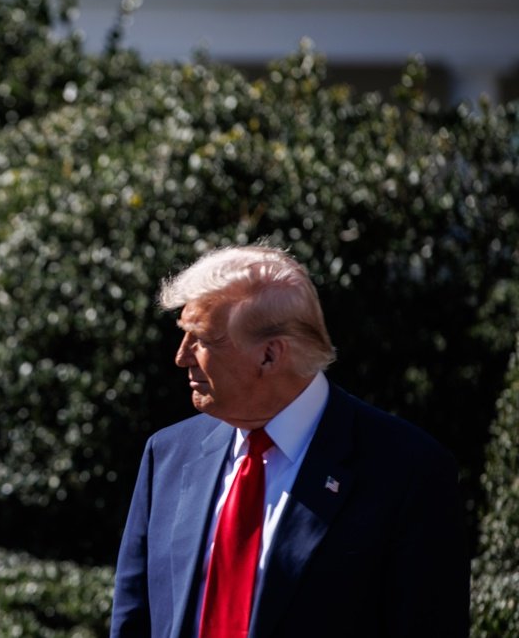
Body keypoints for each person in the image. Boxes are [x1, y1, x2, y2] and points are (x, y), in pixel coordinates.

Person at [109, 245, 468, 638]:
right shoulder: (168, 454)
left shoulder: (407, 471)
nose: (182, 357)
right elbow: (132, 621)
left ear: (269, 355)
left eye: (202, 339)